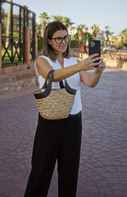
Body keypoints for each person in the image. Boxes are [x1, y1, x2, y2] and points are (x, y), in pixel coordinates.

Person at [24, 21, 105, 197]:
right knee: (41, 169)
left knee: (70, 169)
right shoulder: (42, 60)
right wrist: (80, 66)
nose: (63, 42)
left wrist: (98, 72)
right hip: (50, 120)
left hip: (73, 120)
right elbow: (52, 76)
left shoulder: (73, 60)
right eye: (58, 38)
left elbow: (90, 83)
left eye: (65, 37)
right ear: (49, 40)